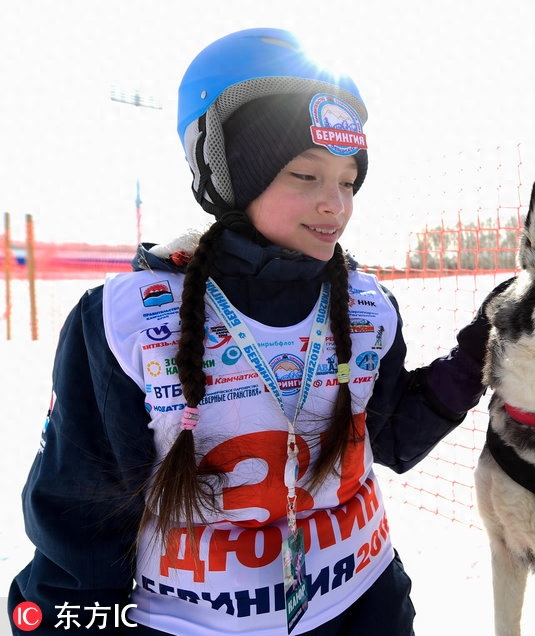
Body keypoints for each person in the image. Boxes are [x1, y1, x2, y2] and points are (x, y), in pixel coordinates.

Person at [8, 27, 506, 635]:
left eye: (348, 180)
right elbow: (79, 524)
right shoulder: (129, 321)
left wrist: (476, 354)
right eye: (305, 175)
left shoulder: (368, 306)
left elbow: (389, 439)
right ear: (227, 172)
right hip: (195, 622)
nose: (337, 203)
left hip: (364, 604)